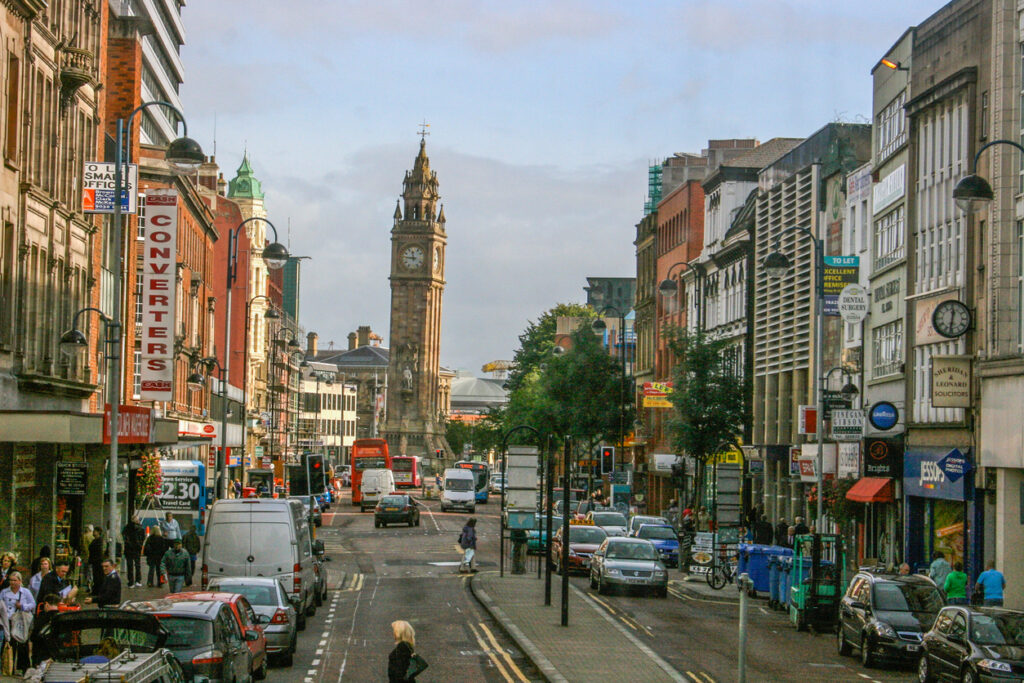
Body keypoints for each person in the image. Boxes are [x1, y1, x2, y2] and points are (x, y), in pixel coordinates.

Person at [1, 573, 35, 673]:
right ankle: (8, 667)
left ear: (20, 581)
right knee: (9, 643)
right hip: (7, 620)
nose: (13, 583)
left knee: (22, 643)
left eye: (15, 580)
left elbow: (33, 604)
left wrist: (23, 606)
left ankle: (23, 667)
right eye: (11, 580)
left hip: (20, 620)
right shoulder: (4, 592)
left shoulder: (25, 592)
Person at [29, 595, 59, 666]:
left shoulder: (42, 618)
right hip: (58, 654)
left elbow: (34, 636)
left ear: (47, 604)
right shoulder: (62, 618)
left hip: (42, 654)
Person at [122, 514, 146, 588]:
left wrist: (128, 544)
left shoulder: (126, 528)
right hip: (137, 549)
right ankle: (138, 581)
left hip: (129, 549)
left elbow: (124, 537)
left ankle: (130, 582)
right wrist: (140, 545)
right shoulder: (140, 528)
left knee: (130, 566)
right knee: (137, 565)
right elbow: (143, 537)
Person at [88, 528, 104, 593]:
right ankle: (96, 589)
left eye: (95, 531)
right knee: (95, 576)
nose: (93, 532)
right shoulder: (95, 540)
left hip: (97, 560)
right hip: (94, 560)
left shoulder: (99, 541)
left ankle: (97, 590)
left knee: (98, 576)